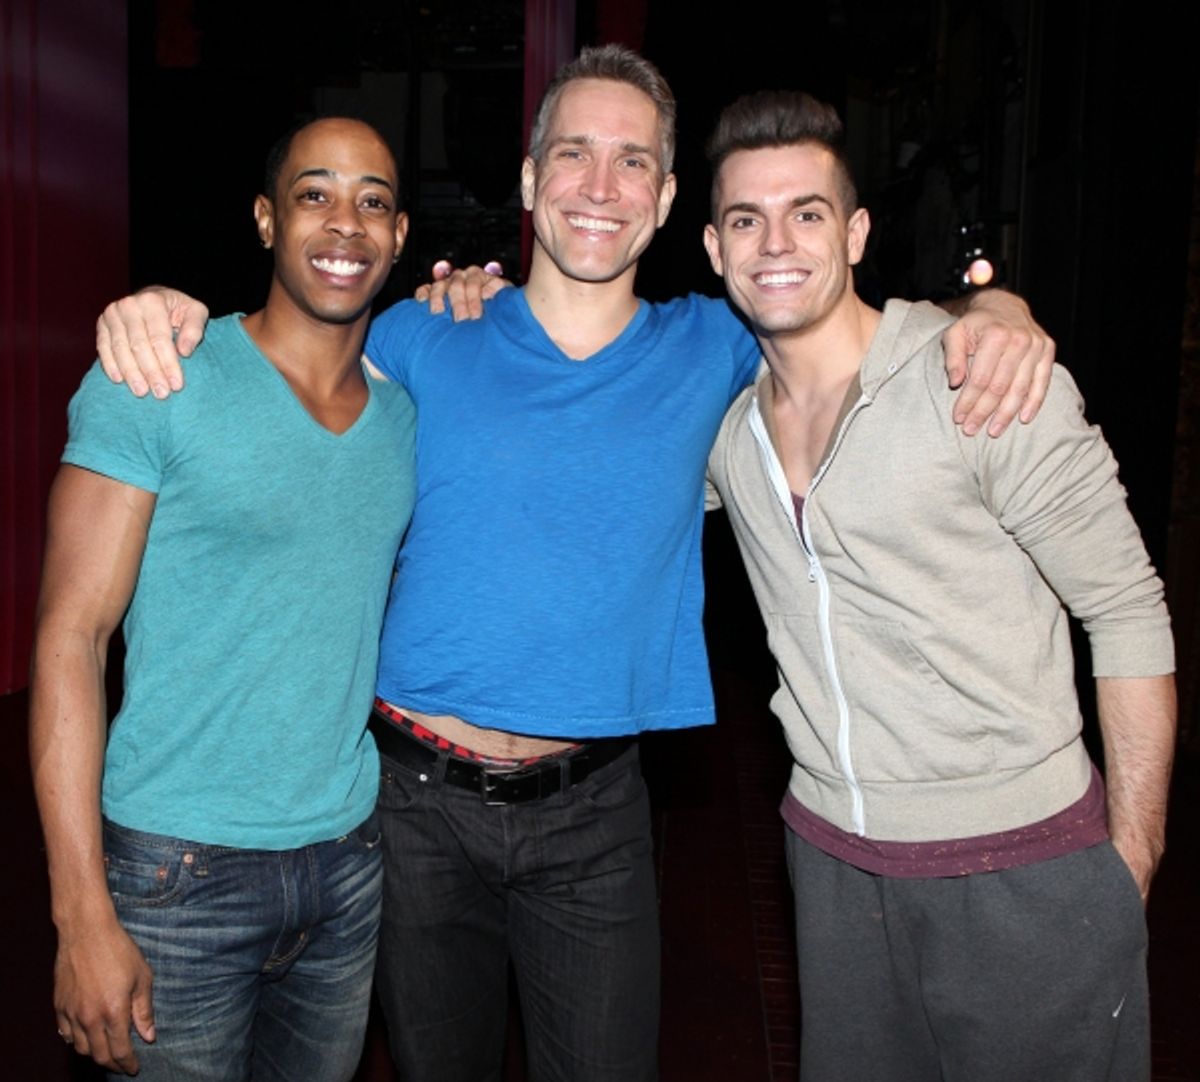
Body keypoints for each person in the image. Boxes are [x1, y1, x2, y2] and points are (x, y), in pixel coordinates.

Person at [90, 47, 1055, 1082]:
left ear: (670, 195)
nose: (600, 186)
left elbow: (860, 332)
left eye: (633, 161)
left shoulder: (718, 346)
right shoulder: (418, 333)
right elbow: (279, 346)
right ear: (528, 178)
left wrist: (998, 314)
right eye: (574, 154)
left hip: (596, 816)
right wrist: (159, 307)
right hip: (412, 813)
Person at [702, 89, 1176, 1082]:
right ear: (713, 248)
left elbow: (1127, 610)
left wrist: (1124, 865)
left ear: (860, 231)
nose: (776, 242)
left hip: (1026, 865)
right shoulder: (722, 429)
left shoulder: (976, 378)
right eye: (747, 218)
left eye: (809, 213)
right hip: (834, 869)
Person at [29, 117, 417, 1081]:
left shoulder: (408, 416)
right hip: (175, 877)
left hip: (347, 866)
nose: (345, 224)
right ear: (264, 219)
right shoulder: (158, 378)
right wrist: (80, 916)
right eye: (314, 194)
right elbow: (70, 639)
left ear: (401, 236)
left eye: (372, 201)